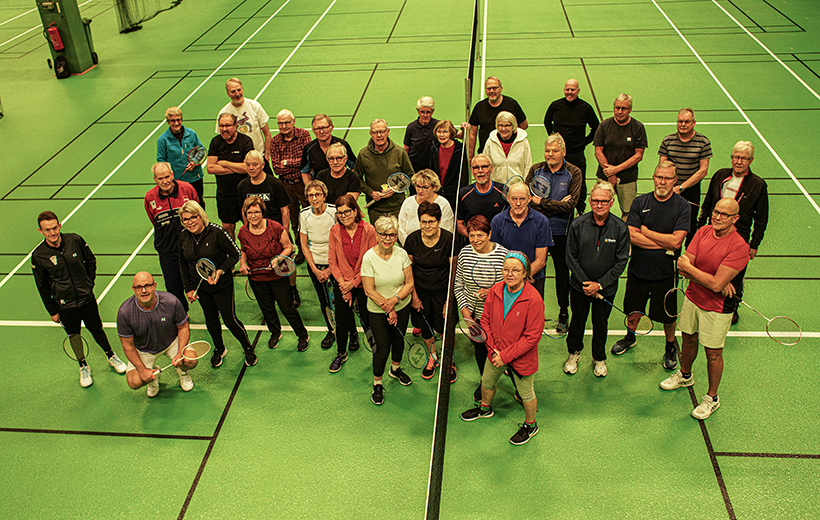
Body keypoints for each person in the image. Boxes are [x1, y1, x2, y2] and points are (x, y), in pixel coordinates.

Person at [660, 198, 750, 420]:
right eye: (716, 212)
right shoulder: (702, 232)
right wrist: (711, 279)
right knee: (688, 339)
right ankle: (685, 375)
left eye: (724, 214)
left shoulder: (740, 246)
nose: (718, 217)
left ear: (735, 218)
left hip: (718, 307)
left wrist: (702, 275)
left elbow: (716, 285)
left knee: (713, 353)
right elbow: (683, 266)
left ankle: (712, 398)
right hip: (693, 297)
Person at [32, 211, 127, 387]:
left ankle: (111, 355)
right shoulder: (39, 255)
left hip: (86, 299)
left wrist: (88, 283)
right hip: (65, 304)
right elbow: (42, 286)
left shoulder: (75, 240)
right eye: (47, 230)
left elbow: (90, 260)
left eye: (54, 228)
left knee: (96, 328)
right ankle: (83, 365)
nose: (52, 233)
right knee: (74, 336)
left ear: (59, 226)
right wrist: (52, 311)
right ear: (41, 231)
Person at [610, 162, 690, 370]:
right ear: (653, 178)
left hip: (666, 274)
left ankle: (670, 346)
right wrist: (662, 242)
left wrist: (646, 232)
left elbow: (676, 242)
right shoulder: (640, 202)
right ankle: (630, 337)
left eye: (667, 178)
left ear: (675, 181)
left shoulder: (682, 206)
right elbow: (631, 235)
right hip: (638, 270)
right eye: (659, 177)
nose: (662, 182)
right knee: (633, 310)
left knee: (667, 315)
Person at [460, 251, 544, 446]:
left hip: (520, 358)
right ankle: (485, 409)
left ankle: (531, 425)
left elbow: (532, 337)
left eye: (516, 270)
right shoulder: (496, 290)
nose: (510, 273)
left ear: (525, 273)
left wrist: (505, 356)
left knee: (526, 394)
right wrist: (493, 350)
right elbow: (485, 320)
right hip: (495, 352)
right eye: (506, 269)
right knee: (486, 383)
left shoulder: (534, 299)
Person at [178, 201, 257, 367]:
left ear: (201, 216)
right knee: (211, 319)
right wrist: (189, 289)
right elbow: (182, 263)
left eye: (193, 217)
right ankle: (219, 348)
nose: (190, 222)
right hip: (201, 288)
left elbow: (235, 254)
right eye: (185, 219)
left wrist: (220, 271)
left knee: (230, 320)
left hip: (222, 285)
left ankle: (248, 348)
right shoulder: (183, 236)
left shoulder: (216, 232)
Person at [564, 182, 630, 377]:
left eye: (603, 201)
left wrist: (600, 284)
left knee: (601, 323)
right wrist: (586, 283)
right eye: (595, 201)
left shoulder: (620, 228)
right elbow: (570, 257)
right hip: (579, 288)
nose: (599, 205)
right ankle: (574, 353)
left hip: (605, 289)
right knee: (577, 321)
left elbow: (621, 262)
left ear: (611, 202)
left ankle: (598, 357)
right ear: (590, 201)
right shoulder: (577, 224)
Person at [698, 141, 768, 325]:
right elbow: (707, 204)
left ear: (750, 161)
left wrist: (754, 244)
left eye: (744, 159)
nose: (739, 162)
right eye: (736, 157)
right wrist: (700, 227)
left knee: (734, 275)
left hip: (740, 238)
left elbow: (761, 218)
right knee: (710, 267)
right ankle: (706, 301)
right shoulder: (720, 175)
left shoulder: (758, 185)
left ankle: (730, 308)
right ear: (731, 157)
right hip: (714, 232)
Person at [525, 133, 582, 331]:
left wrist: (541, 202)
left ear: (563, 152)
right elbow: (526, 200)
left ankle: (563, 312)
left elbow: (571, 205)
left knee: (561, 274)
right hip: (536, 231)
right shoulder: (535, 170)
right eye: (547, 150)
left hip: (561, 233)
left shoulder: (574, 172)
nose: (550, 154)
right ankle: (530, 311)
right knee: (534, 271)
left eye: (555, 151)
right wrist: (556, 204)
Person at [238, 197, 310, 352]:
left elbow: (288, 247)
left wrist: (278, 259)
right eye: (249, 212)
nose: (253, 215)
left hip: (277, 276)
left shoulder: (275, 227)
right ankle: (275, 333)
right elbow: (243, 250)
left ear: (263, 212)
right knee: (267, 309)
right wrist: (243, 263)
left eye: (257, 211)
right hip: (256, 278)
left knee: (287, 308)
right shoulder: (243, 231)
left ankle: (302, 334)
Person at [361, 216, 415, 405]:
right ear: (376, 235)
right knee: (382, 348)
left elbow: (409, 282)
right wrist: (388, 308)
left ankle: (395, 369)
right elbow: (369, 290)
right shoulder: (369, 257)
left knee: (398, 340)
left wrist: (394, 301)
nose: (387, 238)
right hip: (377, 310)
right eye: (383, 234)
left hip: (401, 305)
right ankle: (377, 383)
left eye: (391, 235)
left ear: (396, 236)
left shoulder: (401, 254)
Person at [454, 215, 508, 399]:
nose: (476, 240)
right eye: (472, 235)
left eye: (480, 235)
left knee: (502, 350)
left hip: (498, 316)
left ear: (489, 234)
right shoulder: (464, 253)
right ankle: (484, 381)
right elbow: (458, 284)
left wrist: (493, 291)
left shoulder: (503, 255)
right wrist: (465, 312)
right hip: (473, 315)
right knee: (480, 351)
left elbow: (513, 286)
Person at [236, 150, 299, 307]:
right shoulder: (242, 186)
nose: (251, 168)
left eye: (255, 164)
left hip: (276, 231)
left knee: (286, 260)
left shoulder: (274, 184)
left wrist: (283, 231)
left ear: (262, 165)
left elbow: (285, 210)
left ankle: (292, 289)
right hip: (255, 233)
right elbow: (244, 212)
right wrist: (247, 231)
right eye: (248, 164)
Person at [118, 272, 195, 397]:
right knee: (134, 381)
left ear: (154, 285)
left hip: (170, 342)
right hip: (144, 349)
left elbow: (183, 328)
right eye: (139, 287)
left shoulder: (171, 301)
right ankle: (153, 378)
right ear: (133, 289)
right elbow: (128, 346)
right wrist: (142, 370)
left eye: (147, 286)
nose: (143, 290)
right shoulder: (125, 312)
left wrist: (180, 352)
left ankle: (183, 373)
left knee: (190, 359)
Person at [404, 201, 456, 382]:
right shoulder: (412, 240)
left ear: (439, 221)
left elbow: (454, 273)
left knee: (446, 330)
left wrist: (448, 301)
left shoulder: (449, 239)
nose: (427, 226)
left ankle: (449, 360)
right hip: (421, 295)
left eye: (431, 221)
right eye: (424, 222)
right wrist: (415, 297)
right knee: (426, 329)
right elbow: (408, 271)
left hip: (443, 295)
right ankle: (432, 356)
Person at [327, 194, 376, 372]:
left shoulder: (369, 230)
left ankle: (375, 352)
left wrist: (353, 284)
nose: (344, 215)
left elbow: (370, 263)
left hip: (364, 284)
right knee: (341, 320)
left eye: (347, 211)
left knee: (368, 320)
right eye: (340, 213)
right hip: (343, 283)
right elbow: (332, 262)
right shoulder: (334, 231)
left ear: (356, 211)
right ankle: (341, 353)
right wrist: (343, 285)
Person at [144, 162, 199, 311]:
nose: (165, 181)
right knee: (173, 287)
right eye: (160, 178)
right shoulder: (150, 197)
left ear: (172, 175)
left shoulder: (187, 189)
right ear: (155, 179)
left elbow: (199, 213)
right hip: (167, 251)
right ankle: (182, 314)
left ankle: (212, 309)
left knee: (199, 281)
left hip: (191, 247)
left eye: (167, 176)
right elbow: (153, 220)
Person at [544, 79, 599, 214]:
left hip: (576, 153)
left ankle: (580, 209)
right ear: (564, 90)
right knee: (555, 179)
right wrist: (555, 141)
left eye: (572, 90)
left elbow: (596, 127)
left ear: (578, 91)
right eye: (567, 89)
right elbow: (547, 121)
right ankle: (555, 206)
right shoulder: (556, 105)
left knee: (580, 182)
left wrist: (584, 142)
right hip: (558, 154)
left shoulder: (585, 108)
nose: (569, 92)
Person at [658, 108, 712, 247]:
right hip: (669, 190)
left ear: (694, 123)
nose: (683, 124)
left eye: (687, 121)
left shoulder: (703, 142)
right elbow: (662, 167)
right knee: (667, 222)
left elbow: (703, 170)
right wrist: (668, 185)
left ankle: (688, 255)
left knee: (690, 225)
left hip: (690, 190)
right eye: (680, 121)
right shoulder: (668, 141)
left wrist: (681, 187)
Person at [490, 183, 552, 297]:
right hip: (506, 283)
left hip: (533, 280)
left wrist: (521, 279)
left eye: (522, 199)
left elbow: (541, 260)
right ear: (508, 199)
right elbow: (496, 258)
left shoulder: (541, 221)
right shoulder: (497, 221)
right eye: (514, 199)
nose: (518, 203)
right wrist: (511, 278)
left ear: (529, 199)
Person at [299, 181, 339, 349]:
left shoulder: (334, 212)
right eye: (310, 195)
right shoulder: (304, 214)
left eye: (317, 194)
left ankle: (350, 332)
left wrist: (330, 269)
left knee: (343, 300)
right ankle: (331, 330)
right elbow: (304, 245)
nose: (314, 198)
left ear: (324, 195)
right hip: (316, 265)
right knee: (324, 301)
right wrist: (315, 270)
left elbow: (341, 242)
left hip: (336, 263)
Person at [594, 94, 647, 218]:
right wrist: (610, 173)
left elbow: (638, 155)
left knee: (628, 212)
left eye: (623, 108)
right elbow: (598, 152)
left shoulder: (638, 127)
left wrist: (616, 169)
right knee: (600, 209)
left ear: (630, 110)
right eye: (617, 108)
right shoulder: (604, 126)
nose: (619, 111)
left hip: (628, 179)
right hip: (605, 177)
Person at [269, 109, 312, 264]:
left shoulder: (304, 135)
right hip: (285, 186)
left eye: (287, 122)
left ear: (293, 121)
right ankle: (301, 249)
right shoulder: (274, 141)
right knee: (294, 220)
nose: (284, 126)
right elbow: (276, 168)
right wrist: (296, 163)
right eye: (280, 123)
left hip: (303, 184)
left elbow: (306, 161)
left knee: (311, 216)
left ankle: (313, 248)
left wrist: (286, 161)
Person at [356, 118, 415, 223]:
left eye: (382, 131)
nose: (379, 135)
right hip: (375, 209)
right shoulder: (363, 154)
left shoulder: (399, 152)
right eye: (375, 132)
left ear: (387, 132)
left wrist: (395, 188)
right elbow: (357, 179)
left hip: (398, 207)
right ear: (371, 134)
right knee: (378, 238)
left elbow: (410, 176)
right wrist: (371, 192)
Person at [206, 113, 253, 242]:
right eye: (221, 126)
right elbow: (210, 168)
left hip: (244, 193)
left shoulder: (245, 141)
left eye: (227, 125)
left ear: (236, 126)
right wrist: (236, 168)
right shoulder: (215, 142)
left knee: (248, 226)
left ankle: (248, 254)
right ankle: (232, 255)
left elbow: (247, 168)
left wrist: (225, 163)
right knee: (228, 227)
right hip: (224, 194)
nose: (224, 129)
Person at [216, 77, 272, 170]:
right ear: (228, 93)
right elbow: (221, 139)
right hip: (237, 163)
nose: (237, 94)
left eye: (239, 90)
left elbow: (267, 133)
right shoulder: (224, 112)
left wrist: (266, 155)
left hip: (258, 157)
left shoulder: (255, 106)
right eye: (233, 91)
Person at [468, 76, 528, 159]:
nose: (492, 91)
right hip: (486, 153)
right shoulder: (479, 107)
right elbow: (472, 134)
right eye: (489, 88)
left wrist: (508, 135)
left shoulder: (512, 104)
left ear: (501, 88)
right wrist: (470, 156)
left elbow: (524, 125)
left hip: (509, 153)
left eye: (495, 88)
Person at [156, 106, 206, 204]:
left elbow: (200, 150)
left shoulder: (191, 134)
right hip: (177, 181)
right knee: (181, 205)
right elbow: (161, 161)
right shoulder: (163, 140)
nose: (176, 123)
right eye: (172, 121)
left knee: (198, 202)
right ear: (168, 122)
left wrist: (194, 162)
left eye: (178, 120)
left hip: (195, 177)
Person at [397, 169, 455, 244]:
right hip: (410, 248)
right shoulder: (408, 202)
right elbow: (401, 230)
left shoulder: (443, 204)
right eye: (418, 186)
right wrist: (410, 247)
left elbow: (447, 232)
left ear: (435, 187)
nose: (420, 191)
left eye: (425, 187)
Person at [455, 155, 507, 238]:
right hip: (474, 244)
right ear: (472, 171)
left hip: (499, 242)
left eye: (484, 167)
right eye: (476, 168)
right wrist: (475, 238)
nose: (480, 171)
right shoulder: (463, 193)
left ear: (491, 169)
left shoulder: (503, 191)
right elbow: (459, 224)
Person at [428, 119, 469, 214]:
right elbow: (431, 171)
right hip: (437, 192)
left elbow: (464, 174)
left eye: (445, 132)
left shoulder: (460, 149)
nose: (442, 135)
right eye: (439, 131)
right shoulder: (434, 148)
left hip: (454, 194)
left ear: (451, 133)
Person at [300, 113, 356, 178]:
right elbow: (304, 172)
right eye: (317, 129)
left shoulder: (343, 145)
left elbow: (354, 167)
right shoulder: (309, 149)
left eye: (324, 128)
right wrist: (311, 187)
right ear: (313, 130)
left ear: (331, 127)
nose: (321, 132)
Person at [482, 111, 532, 184]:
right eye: (500, 125)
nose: (503, 129)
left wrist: (523, 184)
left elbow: (528, 166)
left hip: (517, 187)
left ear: (513, 126)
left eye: (507, 125)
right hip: (496, 187)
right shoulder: (490, 141)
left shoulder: (523, 141)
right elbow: (485, 165)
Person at [404, 96, 440, 173]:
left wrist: (464, 127)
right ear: (418, 111)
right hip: (415, 168)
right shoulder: (411, 127)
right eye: (422, 112)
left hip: (433, 168)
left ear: (432, 112)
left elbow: (458, 134)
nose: (425, 115)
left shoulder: (438, 125)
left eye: (428, 112)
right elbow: (406, 149)